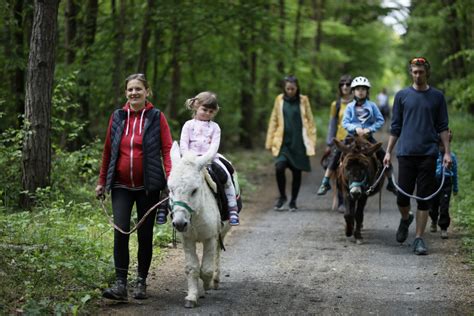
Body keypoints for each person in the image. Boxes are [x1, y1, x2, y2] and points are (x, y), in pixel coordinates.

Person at [95, 73, 172, 300]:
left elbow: (167, 150)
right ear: (125, 93)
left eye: (138, 89)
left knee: (145, 235)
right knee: (120, 232)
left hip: (148, 186)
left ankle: (141, 282)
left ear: (147, 92)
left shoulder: (157, 117)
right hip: (120, 186)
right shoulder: (118, 116)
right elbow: (108, 151)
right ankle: (120, 284)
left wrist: (172, 178)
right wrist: (101, 181)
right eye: (130, 89)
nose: (134, 93)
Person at [383, 57, 451, 255]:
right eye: (414, 71)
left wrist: (446, 152)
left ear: (426, 72)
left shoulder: (437, 97)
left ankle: (419, 239)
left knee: (424, 198)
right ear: (410, 72)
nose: (418, 75)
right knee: (402, 197)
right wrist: (388, 151)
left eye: (421, 71)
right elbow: (395, 126)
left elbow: (443, 126)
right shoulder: (402, 96)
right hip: (405, 153)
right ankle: (406, 218)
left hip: (428, 154)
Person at [317, 76, 396, 195]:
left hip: (367, 138)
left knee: (382, 154)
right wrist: (355, 128)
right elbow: (345, 122)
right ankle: (325, 181)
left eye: (363, 89)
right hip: (351, 137)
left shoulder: (372, 106)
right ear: (353, 91)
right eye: (358, 89)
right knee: (337, 153)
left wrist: (370, 129)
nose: (360, 91)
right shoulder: (349, 107)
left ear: (367, 91)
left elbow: (380, 120)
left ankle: (391, 182)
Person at [180, 91, 240, 226]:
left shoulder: (215, 127)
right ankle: (166, 205)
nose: (207, 113)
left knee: (226, 175)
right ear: (196, 106)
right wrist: (190, 158)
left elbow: (214, 146)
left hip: (210, 159)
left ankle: (232, 207)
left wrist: (207, 158)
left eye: (211, 111)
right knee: (175, 178)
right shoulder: (188, 125)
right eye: (204, 109)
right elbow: (183, 144)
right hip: (190, 160)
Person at [265, 75, 317, 211]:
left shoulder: (303, 100)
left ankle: (293, 201)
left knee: (296, 172)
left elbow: (310, 121)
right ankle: (282, 196)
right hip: (283, 142)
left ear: (297, 88)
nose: (290, 91)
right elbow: (274, 120)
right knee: (279, 167)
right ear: (284, 88)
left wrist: (312, 140)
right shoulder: (279, 100)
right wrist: (269, 141)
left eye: (293, 88)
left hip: (299, 142)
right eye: (288, 88)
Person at [322, 75, 353, 212]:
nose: (345, 86)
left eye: (347, 84)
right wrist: (329, 143)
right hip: (340, 141)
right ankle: (340, 199)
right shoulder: (336, 104)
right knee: (338, 170)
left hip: (354, 141)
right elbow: (332, 124)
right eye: (342, 84)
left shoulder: (359, 102)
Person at [429, 129, 458, 239]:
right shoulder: (433, 155)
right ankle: (433, 220)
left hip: (446, 182)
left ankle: (444, 227)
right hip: (434, 182)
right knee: (433, 204)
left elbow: (455, 174)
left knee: (444, 206)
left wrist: (455, 188)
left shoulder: (452, 157)